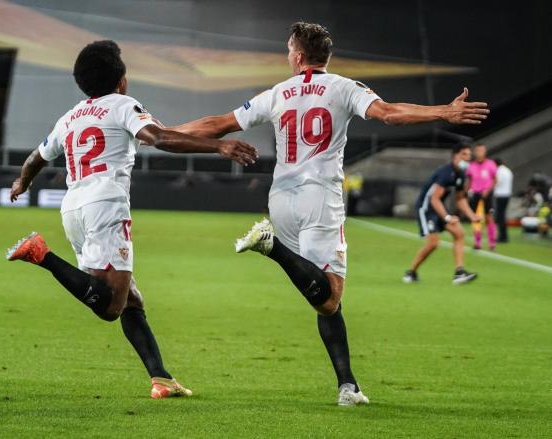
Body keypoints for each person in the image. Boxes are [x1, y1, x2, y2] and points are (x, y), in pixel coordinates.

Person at [170, 22, 489, 406]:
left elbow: (214, 125)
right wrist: (444, 111)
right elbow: (388, 114)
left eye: (289, 51)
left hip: (281, 200)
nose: (288, 56)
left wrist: (156, 131)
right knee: (329, 297)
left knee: (323, 293)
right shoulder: (343, 87)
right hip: (320, 197)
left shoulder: (277, 93)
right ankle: (272, 248)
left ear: (299, 56)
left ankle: (347, 386)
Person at [5, 40, 258, 399]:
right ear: (121, 80)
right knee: (111, 306)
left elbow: (35, 158)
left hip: (74, 209)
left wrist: (21, 182)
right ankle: (40, 254)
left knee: (131, 299)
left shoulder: (71, 117)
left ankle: (162, 379)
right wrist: (218, 146)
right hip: (106, 206)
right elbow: (156, 137)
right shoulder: (124, 106)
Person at [403, 145, 481, 285]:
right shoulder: (445, 172)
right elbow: (434, 198)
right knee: (433, 243)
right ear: (455, 156)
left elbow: (460, 199)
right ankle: (411, 272)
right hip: (426, 208)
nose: (467, 158)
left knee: (459, 233)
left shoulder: (461, 175)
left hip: (439, 208)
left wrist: (472, 216)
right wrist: (447, 217)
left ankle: (459, 272)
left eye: (469, 155)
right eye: (464, 154)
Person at [466, 144, 498, 250]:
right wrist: (465, 192)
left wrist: (488, 190)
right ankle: (477, 241)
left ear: (485, 152)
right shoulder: (472, 166)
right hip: (475, 194)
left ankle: (492, 242)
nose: (479, 153)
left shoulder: (491, 164)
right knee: (475, 217)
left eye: (481, 151)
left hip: (487, 194)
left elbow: (494, 180)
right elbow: (469, 181)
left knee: (489, 217)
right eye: (477, 151)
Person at [493, 158, 513, 242]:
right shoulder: (508, 170)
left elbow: (497, 182)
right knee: (502, 216)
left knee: (500, 216)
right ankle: (503, 235)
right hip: (507, 194)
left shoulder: (499, 171)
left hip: (501, 195)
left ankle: (502, 236)